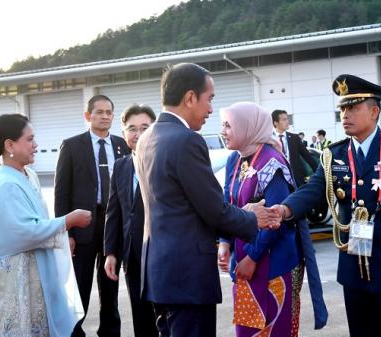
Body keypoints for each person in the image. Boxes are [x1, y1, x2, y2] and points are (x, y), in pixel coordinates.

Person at [273, 74, 381, 337]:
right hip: (355, 274)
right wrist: (284, 209)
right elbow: (313, 190)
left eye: (353, 108)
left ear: (374, 112)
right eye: (342, 108)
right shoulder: (335, 154)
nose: (345, 114)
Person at [134, 63, 281, 337]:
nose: (211, 109)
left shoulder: (147, 138)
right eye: (209, 99)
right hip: (187, 277)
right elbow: (213, 210)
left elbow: (182, 203)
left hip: (159, 272)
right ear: (190, 98)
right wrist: (252, 217)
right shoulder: (186, 140)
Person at [217, 102, 327, 337]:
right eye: (222, 125)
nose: (223, 131)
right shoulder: (234, 160)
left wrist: (253, 257)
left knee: (275, 328)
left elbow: (275, 219)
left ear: (247, 126)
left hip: (275, 263)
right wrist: (225, 242)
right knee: (250, 328)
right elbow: (227, 205)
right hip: (244, 258)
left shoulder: (271, 162)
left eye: (229, 125)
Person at [0, 114, 91, 337]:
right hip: (15, 281)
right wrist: (68, 221)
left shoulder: (28, 175)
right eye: (30, 139)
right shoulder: (5, 184)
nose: (36, 145)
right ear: (10, 145)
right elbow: (23, 232)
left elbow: (38, 222)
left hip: (34, 274)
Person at [54, 94, 129, 337]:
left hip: (113, 224)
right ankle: (75, 332)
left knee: (110, 287)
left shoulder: (122, 145)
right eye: (100, 112)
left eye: (109, 112)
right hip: (84, 225)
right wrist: (67, 232)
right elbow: (61, 192)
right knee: (80, 287)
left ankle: (109, 332)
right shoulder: (72, 145)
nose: (105, 116)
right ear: (88, 116)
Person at [103, 104, 158, 337]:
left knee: (163, 318)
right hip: (132, 255)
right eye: (132, 128)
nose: (138, 134)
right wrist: (111, 252)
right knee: (140, 316)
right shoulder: (121, 165)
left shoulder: (163, 161)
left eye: (145, 127)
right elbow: (114, 212)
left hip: (160, 253)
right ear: (124, 133)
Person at [272, 109, 318, 186]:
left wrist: (319, 173)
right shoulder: (269, 139)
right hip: (278, 180)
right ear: (275, 123)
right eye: (284, 119)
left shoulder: (295, 138)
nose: (287, 122)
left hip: (296, 179)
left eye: (287, 119)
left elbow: (308, 157)